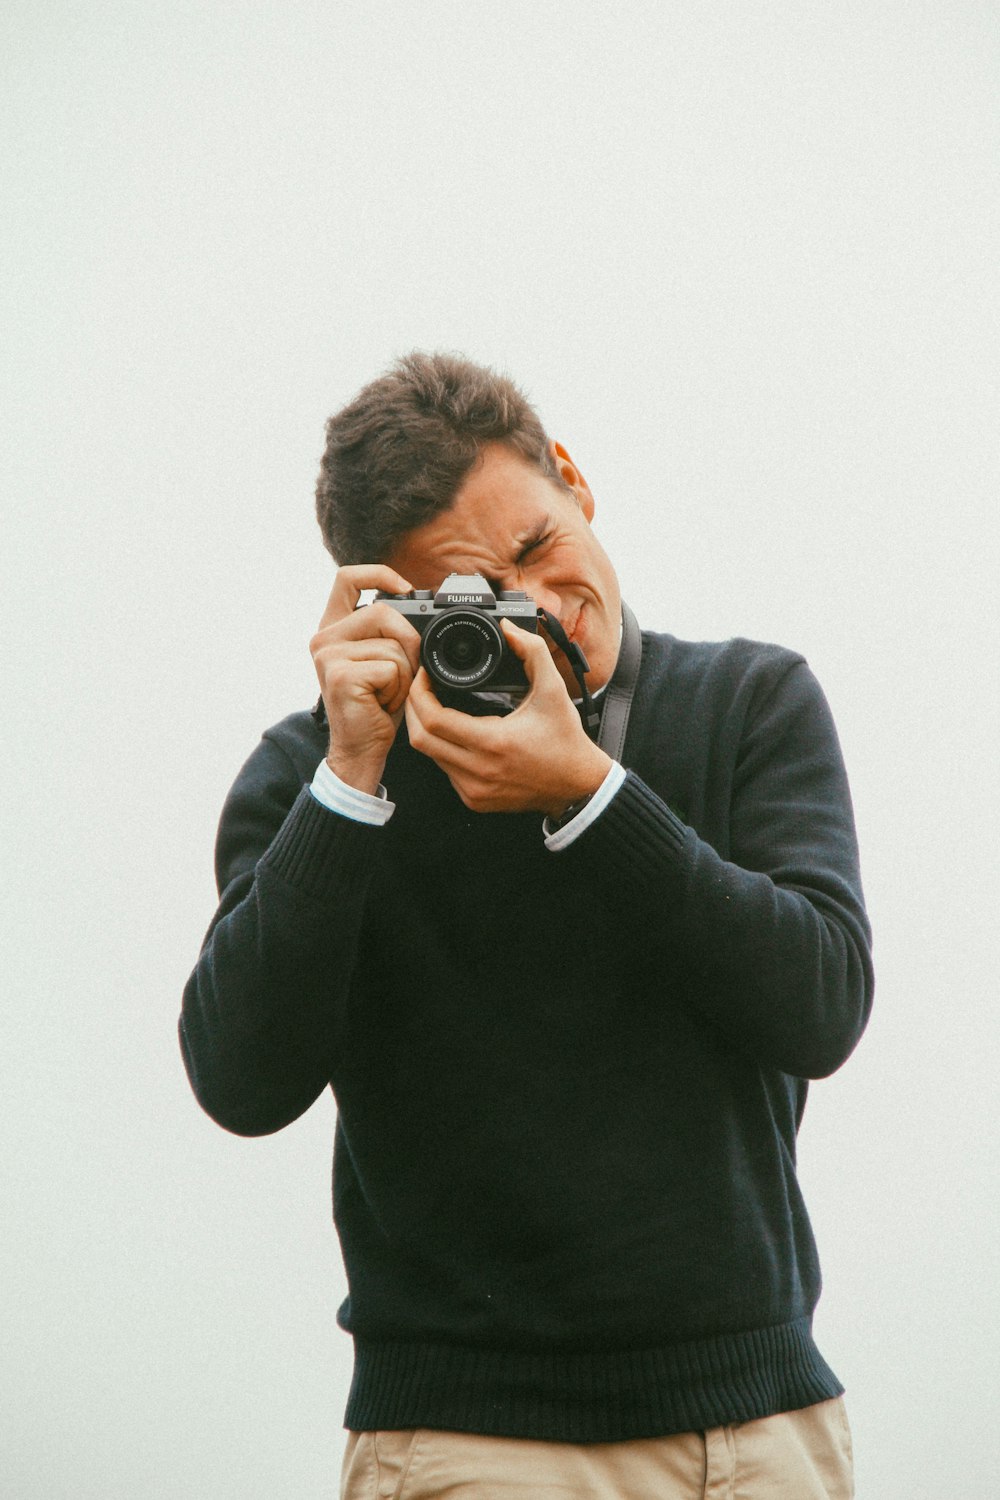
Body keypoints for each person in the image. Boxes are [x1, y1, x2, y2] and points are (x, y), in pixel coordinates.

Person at [180, 352, 873, 1499]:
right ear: (388, 607)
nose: (539, 605)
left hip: (754, 1427)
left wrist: (589, 795)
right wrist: (354, 775)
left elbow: (818, 1006)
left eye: (537, 547)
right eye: (472, 596)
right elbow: (242, 1083)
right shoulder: (316, 777)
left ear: (572, 478)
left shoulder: (747, 704)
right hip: (464, 1437)